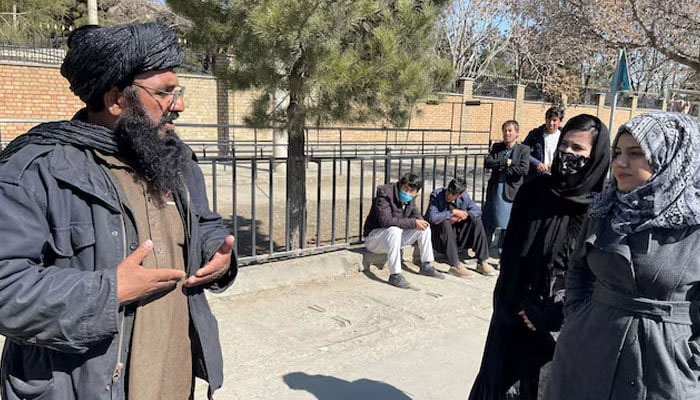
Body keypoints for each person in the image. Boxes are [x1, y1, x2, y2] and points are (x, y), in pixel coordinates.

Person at [0, 23, 237, 400]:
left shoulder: (175, 157)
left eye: (178, 91)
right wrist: (108, 292)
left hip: (175, 379)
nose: (179, 105)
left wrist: (216, 254)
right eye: (164, 93)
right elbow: (6, 287)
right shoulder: (35, 170)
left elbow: (203, 222)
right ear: (115, 99)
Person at [546, 112, 700, 400]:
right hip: (585, 351)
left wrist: (690, 361)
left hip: (663, 371)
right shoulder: (605, 208)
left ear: (671, 158)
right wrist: (576, 316)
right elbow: (578, 269)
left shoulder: (694, 227)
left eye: (636, 153)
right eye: (617, 152)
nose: (620, 162)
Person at [469, 114, 610, 400]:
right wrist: (519, 305)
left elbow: (599, 275)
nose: (568, 153)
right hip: (516, 310)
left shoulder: (603, 209)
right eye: (565, 145)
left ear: (595, 156)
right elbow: (511, 257)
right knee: (502, 387)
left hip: (564, 326)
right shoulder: (535, 192)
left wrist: (554, 316)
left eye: (579, 149)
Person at [364, 172, 444, 288]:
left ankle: (426, 265)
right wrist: (413, 222)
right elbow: (386, 221)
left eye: (412, 191)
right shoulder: (385, 194)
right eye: (405, 189)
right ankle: (395, 274)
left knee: (424, 227)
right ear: (400, 185)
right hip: (375, 239)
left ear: (416, 192)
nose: (407, 193)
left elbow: (417, 216)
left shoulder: (410, 199)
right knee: (394, 230)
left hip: (394, 240)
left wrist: (418, 222)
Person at [425, 178, 494, 277]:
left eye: (453, 194)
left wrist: (465, 214)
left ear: (459, 195)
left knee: (476, 221)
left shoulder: (464, 197)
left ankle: (482, 261)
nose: (449, 196)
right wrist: (452, 212)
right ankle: (455, 265)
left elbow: (477, 211)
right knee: (445, 223)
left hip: (458, 236)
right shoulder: (436, 195)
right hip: (441, 238)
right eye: (448, 191)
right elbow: (432, 217)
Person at [482, 120, 531, 255]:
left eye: (510, 131)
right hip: (495, 190)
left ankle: (503, 252)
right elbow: (489, 163)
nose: (507, 133)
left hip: (511, 191)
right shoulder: (497, 147)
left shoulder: (523, 149)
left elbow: (523, 169)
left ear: (517, 133)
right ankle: (483, 252)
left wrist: (506, 168)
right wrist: (505, 162)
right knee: (488, 220)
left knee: (507, 224)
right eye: (505, 130)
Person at [522, 106, 565, 179]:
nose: (551, 123)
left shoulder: (564, 136)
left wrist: (556, 166)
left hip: (557, 176)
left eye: (554, 120)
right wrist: (536, 163)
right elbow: (523, 152)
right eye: (549, 119)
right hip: (537, 176)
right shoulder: (535, 134)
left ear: (560, 121)